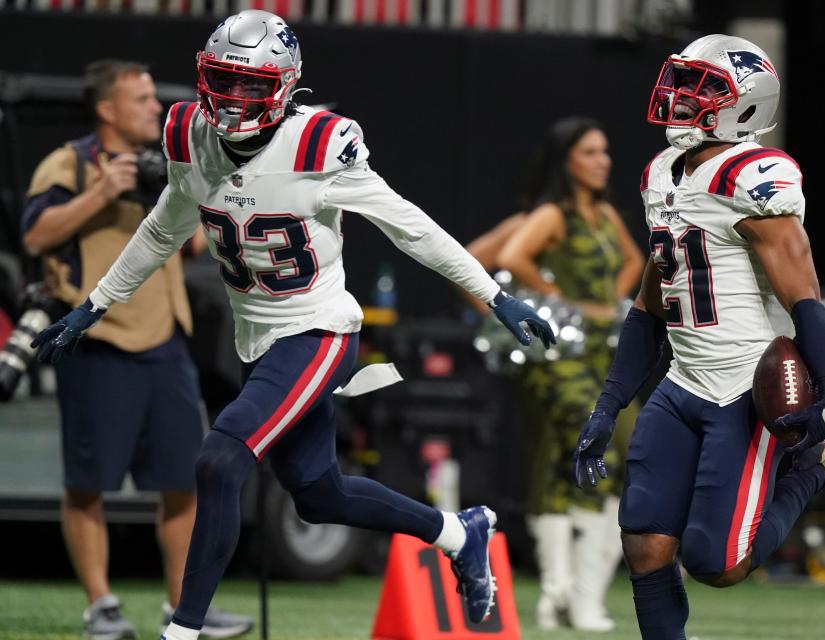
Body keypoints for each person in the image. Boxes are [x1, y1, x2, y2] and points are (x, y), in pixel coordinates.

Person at [31, 12, 555, 640]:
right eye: (224, 80)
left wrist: (494, 295)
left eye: (252, 84)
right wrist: (94, 306)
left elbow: (409, 226)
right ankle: (456, 531)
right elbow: (163, 228)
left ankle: (183, 631)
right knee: (318, 495)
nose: (233, 99)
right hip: (259, 339)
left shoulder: (318, 145)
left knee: (220, 459)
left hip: (317, 332)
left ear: (285, 84)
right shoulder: (189, 136)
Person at [572, 34, 825, 639]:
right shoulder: (660, 173)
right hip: (683, 381)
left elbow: (804, 294)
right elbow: (650, 305)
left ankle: (814, 469)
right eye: (681, 80)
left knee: (718, 563)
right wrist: (608, 405)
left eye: (702, 87)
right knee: (646, 543)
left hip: (746, 386)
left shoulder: (756, 177)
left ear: (745, 105)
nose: (679, 96)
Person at [21, 60, 252, 639]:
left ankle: (182, 607)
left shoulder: (169, 164)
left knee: (182, 479)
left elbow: (197, 245)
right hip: (99, 341)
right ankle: (100, 605)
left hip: (166, 342)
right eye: (143, 99)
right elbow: (34, 236)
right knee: (87, 483)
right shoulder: (68, 163)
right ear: (107, 108)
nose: (155, 108)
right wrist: (104, 190)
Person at [496, 118, 644, 631]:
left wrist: (611, 305)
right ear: (568, 161)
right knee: (587, 453)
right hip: (562, 359)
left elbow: (635, 261)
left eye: (605, 151)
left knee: (619, 452)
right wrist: (566, 305)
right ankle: (574, 598)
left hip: (604, 357)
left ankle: (565, 596)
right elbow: (511, 258)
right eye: (590, 152)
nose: (603, 160)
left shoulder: (603, 215)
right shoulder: (553, 214)